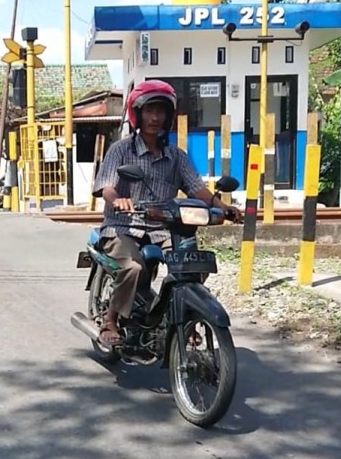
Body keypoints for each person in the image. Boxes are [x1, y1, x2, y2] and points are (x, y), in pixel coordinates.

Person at [91, 79, 241, 347]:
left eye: (161, 111)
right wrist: (117, 201)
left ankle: (181, 315)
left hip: (164, 229)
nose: (155, 117)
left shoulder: (177, 156)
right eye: (149, 111)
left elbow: (197, 190)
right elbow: (106, 187)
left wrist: (223, 207)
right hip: (123, 227)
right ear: (138, 114)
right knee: (133, 267)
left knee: (195, 261)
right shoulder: (121, 150)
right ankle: (110, 318)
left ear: (169, 116)